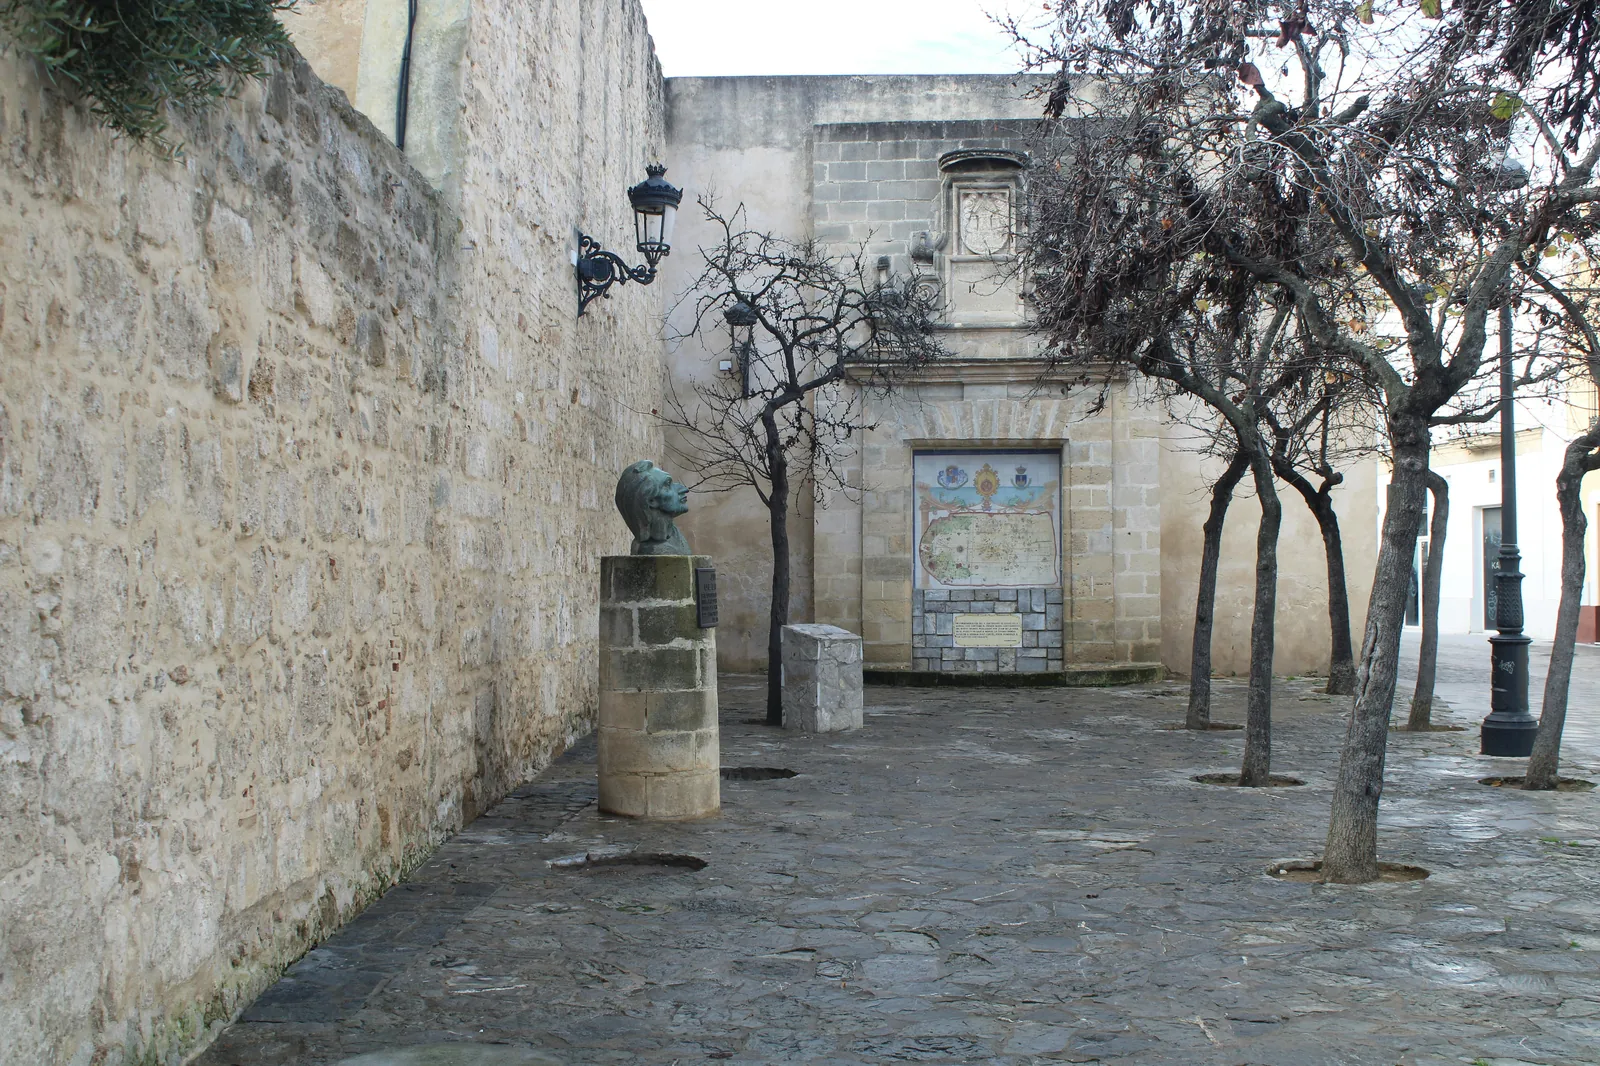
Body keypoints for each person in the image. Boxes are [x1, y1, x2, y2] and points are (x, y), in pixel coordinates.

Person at [614, 460, 691, 555]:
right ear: (651, 501)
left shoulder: (675, 537)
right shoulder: (654, 550)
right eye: (667, 484)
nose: (684, 489)